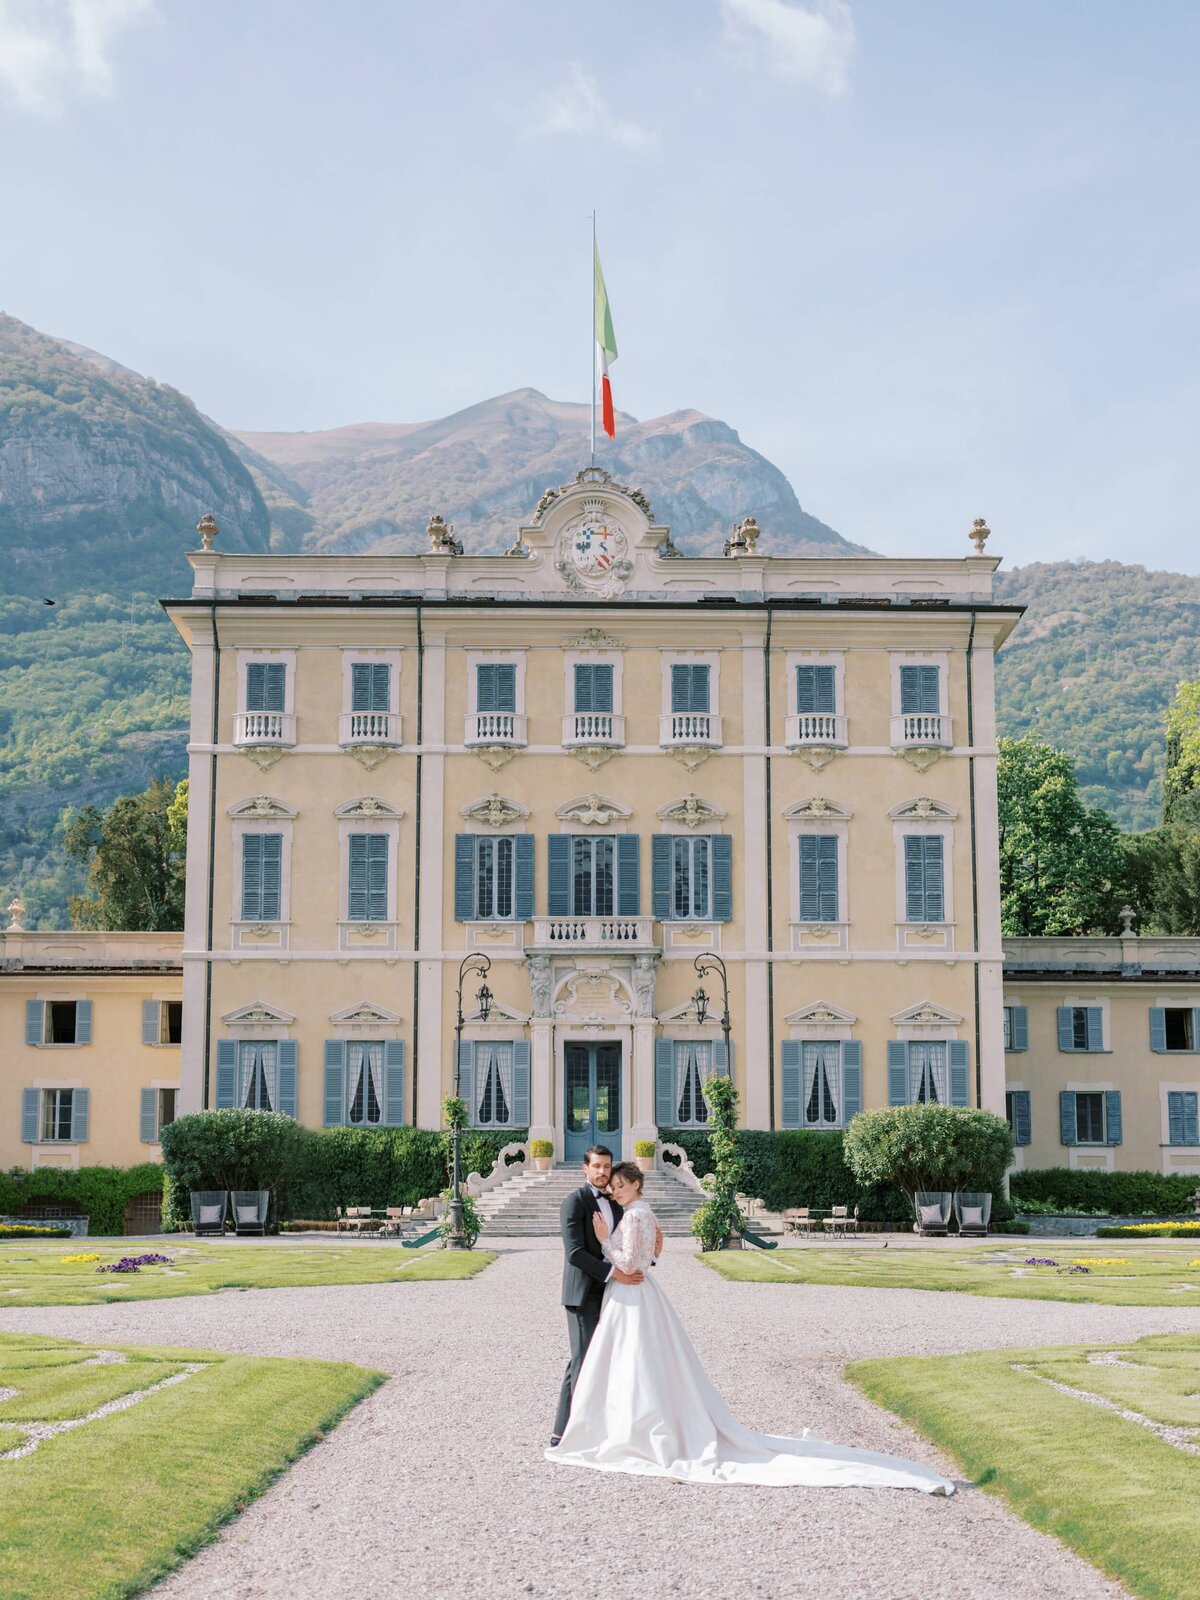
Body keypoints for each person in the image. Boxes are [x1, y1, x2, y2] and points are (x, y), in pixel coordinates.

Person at [546, 1161, 955, 1493]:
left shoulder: (633, 1213)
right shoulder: (631, 1210)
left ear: (634, 1184)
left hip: (631, 1294)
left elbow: (633, 1262)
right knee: (627, 1364)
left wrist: (605, 1242)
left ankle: (635, 1431)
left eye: (618, 1182)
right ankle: (620, 1425)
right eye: (608, 1179)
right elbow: (649, 1253)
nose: (612, 1187)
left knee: (636, 1363)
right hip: (627, 1296)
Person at [550, 1144, 662, 1447]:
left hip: (616, 1296)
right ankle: (561, 1432)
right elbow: (575, 1253)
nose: (602, 1172)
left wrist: (644, 1261)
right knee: (583, 1360)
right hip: (583, 1295)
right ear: (585, 1168)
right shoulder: (574, 1203)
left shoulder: (618, 1204)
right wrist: (618, 1274)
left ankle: (602, 1428)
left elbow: (635, 1242)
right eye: (596, 1166)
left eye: (606, 1166)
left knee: (613, 1362)